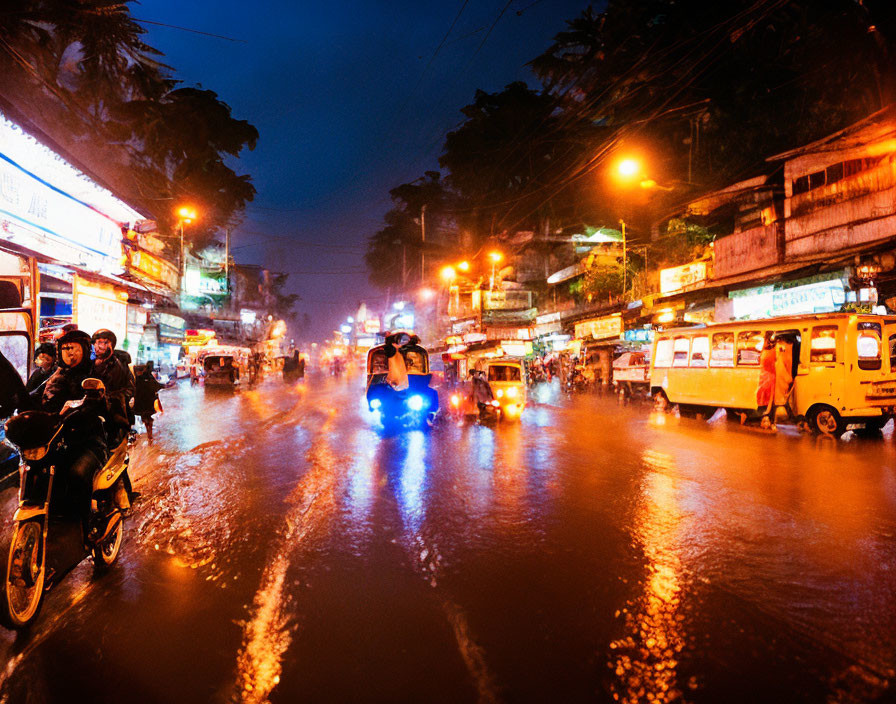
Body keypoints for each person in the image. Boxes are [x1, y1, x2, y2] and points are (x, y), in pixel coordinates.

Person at [40, 329, 111, 536]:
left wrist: (93, 402)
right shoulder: (57, 376)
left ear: (84, 349)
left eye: (73, 349)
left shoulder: (96, 372)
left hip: (90, 441)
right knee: (42, 471)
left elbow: (105, 401)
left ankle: (87, 523)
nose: (69, 354)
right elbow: (38, 396)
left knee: (78, 474)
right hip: (59, 439)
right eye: (65, 349)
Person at [133, 362, 164, 442]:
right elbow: (156, 386)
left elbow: (134, 389)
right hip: (149, 401)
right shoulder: (149, 376)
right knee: (149, 418)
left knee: (145, 417)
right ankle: (150, 434)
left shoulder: (137, 379)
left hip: (140, 402)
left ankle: (149, 434)